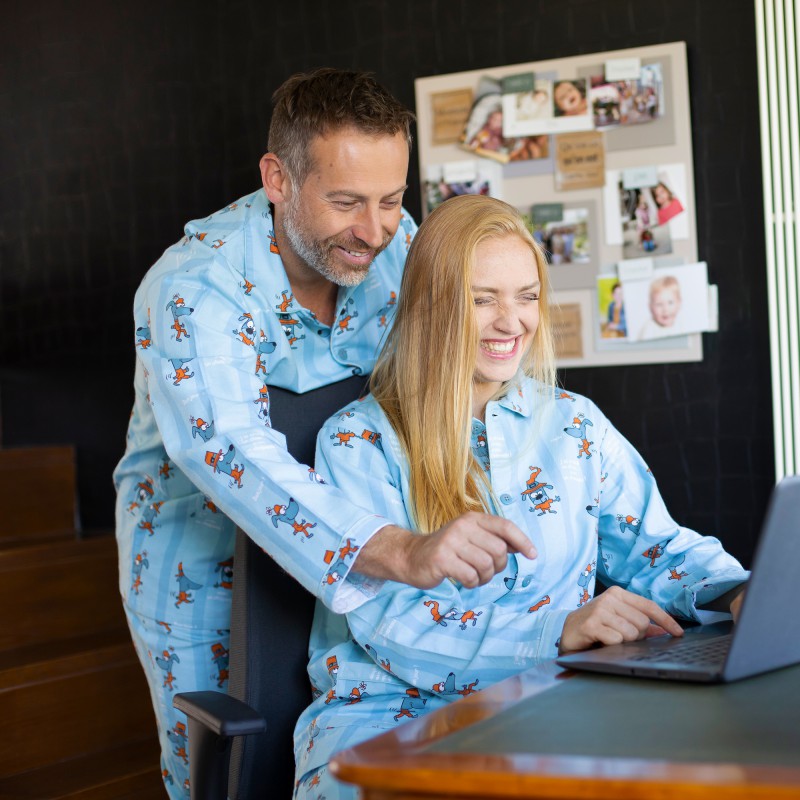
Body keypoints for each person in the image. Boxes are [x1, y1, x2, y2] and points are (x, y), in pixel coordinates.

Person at [114, 70, 533, 797]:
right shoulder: (194, 287)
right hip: (201, 559)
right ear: (277, 178)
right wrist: (397, 548)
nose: (374, 230)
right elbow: (229, 451)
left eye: (391, 199)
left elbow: (449, 370)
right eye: (345, 202)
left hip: (371, 520)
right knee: (226, 773)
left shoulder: (393, 243)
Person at [294, 195, 747, 799]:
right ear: (431, 305)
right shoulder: (357, 442)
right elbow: (393, 627)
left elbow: (656, 546)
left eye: (526, 296)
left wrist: (743, 593)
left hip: (551, 700)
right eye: (483, 299)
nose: (512, 321)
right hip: (390, 716)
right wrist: (558, 630)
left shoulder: (574, 424)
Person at [638, 274, 684, 339]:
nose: (665, 309)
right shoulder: (648, 331)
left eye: (670, 303)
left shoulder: (680, 325)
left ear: (679, 303)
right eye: (659, 304)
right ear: (650, 307)